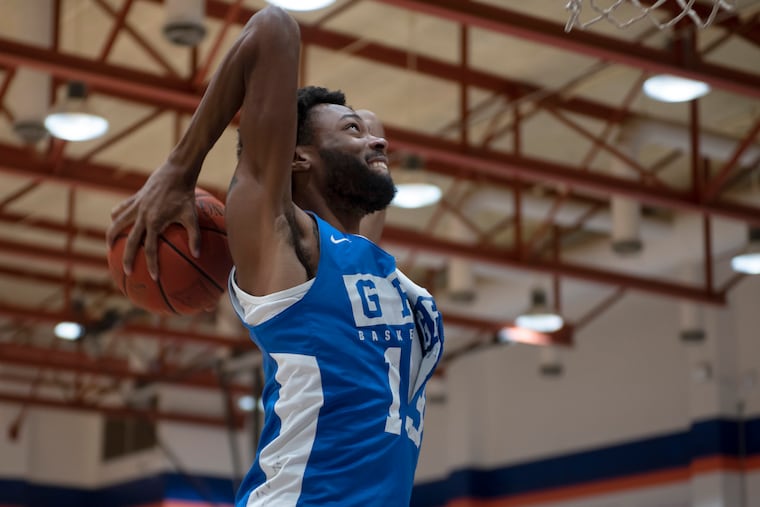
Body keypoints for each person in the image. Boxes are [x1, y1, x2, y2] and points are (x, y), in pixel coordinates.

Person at [107, 5, 443, 506]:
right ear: (297, 158)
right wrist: (180, 169)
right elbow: (273, 27)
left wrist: (346, 125)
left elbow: (371, 124)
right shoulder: (288, 245)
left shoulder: (363, 252)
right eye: (353, 131)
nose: (377, 139)